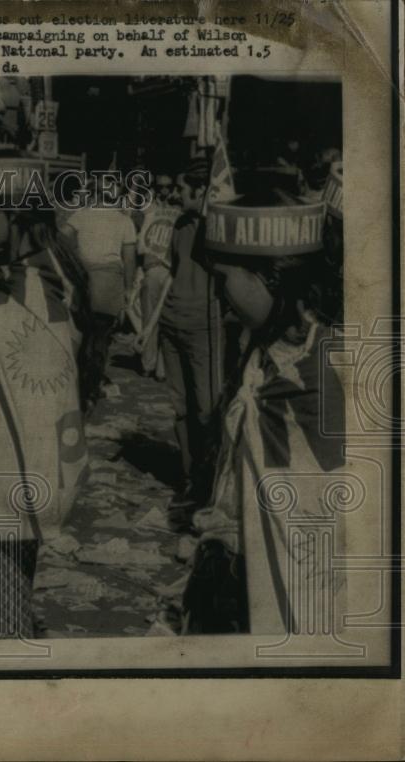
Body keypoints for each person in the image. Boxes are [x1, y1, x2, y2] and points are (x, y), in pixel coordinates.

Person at [182, 198, 344, 635]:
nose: (218, 296)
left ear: (271, 277)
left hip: (305, 594)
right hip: (243, 576)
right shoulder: (262, 357)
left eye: (223, 280)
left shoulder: (327, 367)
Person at [0, 153, 99, 639]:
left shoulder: (33, 289)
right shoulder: (29, 275)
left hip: (6, 468)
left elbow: (37, 394)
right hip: (8, 465)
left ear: (13, 212)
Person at [158, 158, 221, 517]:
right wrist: (153, 325)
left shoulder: (219, 228)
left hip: (204, 326)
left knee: (207, 409)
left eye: (182, 189)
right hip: (172, 322)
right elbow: (172, 272)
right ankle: (189, 479)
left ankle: (209, 481)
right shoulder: (179, 225)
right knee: (180, 408)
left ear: (200, 191)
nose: (176, 194)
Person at [60, 176, 137, 392]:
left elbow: (61, 238)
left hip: (84, 280)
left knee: (81, 333)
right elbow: (129, 259)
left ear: (95, 194)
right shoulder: (124, 221)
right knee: (102, 336)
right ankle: (91, 385)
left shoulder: (82, 215)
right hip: (109, 282)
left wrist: (75, 258)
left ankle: (77, 382)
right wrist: (129, 289)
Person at [134, 172, 180, 380]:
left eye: (167, 187)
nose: (164, 191)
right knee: (149, 316)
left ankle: (162, 368)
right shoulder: (147, 208)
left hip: (171, 269)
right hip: (152, 267)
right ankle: (148, 363)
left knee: (168, 319)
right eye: (160, 187)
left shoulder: (179, 209)